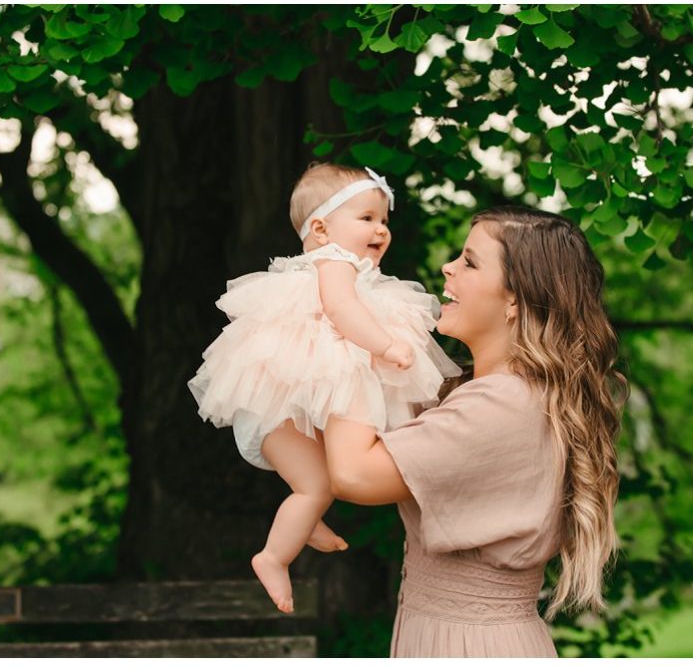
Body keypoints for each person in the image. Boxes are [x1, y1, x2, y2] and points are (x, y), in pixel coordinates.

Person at [324, 205, 623, 659]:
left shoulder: (501, 405)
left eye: (470, 262)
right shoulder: (489, 394)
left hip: (470, 645)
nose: (448, 267)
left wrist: (349, 334)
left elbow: (353, 473)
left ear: (515, 299)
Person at [188, 163, 458, 613]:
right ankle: (273, 556)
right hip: (314, 372)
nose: (381, 230)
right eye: (368, 218)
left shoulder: (337, 268)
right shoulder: (335, 262)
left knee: (315, 481)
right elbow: (340, 308)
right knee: (318, 483)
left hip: (295, 387)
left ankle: (306, 517)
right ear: (320, 228)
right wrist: (384, 343)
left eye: (384, 221)